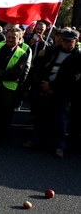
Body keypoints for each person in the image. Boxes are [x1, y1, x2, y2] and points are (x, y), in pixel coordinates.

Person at [24, 28, 80, 157]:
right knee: (41, 117)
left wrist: (52, 86)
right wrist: (42, 83)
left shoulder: (78, 57)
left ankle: (59, 146)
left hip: (62, 93)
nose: (65, 43)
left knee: (60, 120)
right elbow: (39, 68)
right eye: (64, 40)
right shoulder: (51, 51)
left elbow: (74, 77)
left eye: (69, 41)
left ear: (76, 41)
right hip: (44, 88)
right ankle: (36, 140)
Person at [0, 26, 31, 147]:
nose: (10, 39)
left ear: (19, 39)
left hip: (7, 90)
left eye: (13, 38)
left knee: (3, 115)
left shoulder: (22, 54)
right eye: (8, 37)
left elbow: (16, 73)